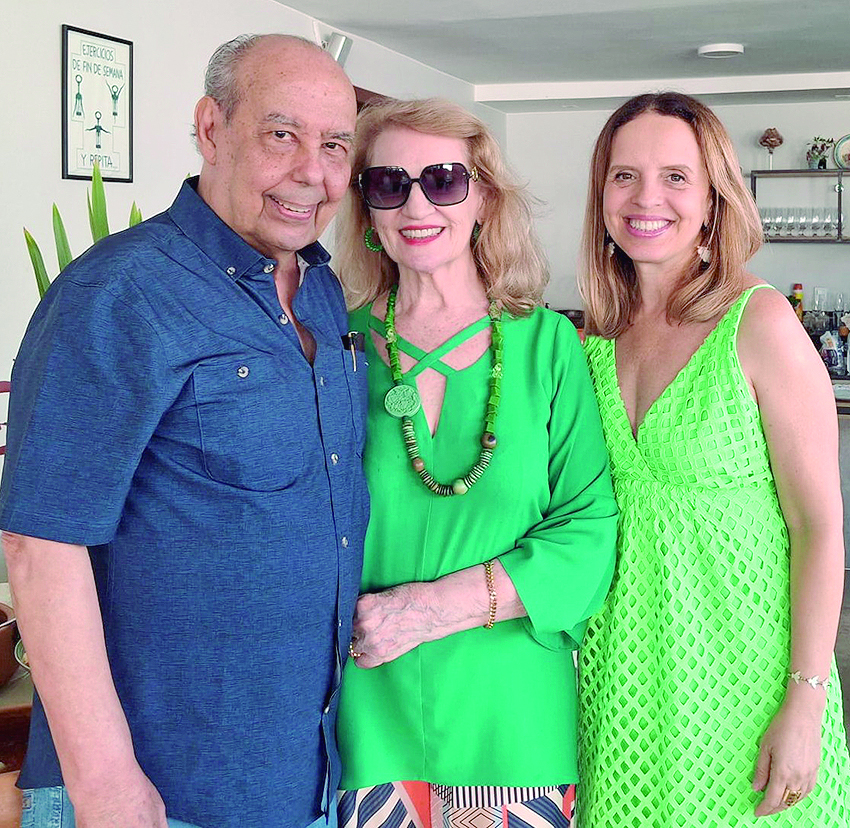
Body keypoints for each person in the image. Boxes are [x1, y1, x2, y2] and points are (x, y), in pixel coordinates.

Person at [0, 34, 367, 828]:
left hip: (299, 776)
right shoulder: (118, 292)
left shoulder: (324, 292)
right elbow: (39, 544)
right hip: (156, 792)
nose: (312, 171)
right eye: (281, 134)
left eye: (335, 145)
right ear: (210, 127)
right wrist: (107, 785)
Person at [333, 97, 618, 828]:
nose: (416, 204)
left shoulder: (549, 345)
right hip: (370, 713)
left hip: (512, 719)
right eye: (389, 184)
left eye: (443, 180)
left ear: (484, 198)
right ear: (367, 209)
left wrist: (427, 611)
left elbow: (589, 531)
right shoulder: (335, 345)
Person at [577, 91, 850, 826]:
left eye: (675, 177)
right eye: (624, 175)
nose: (646, 198)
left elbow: (819, 528)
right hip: (620, 686)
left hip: (745, 688)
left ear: (712, 200)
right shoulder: (594, 337)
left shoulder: (758, 322)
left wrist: (805, 700)